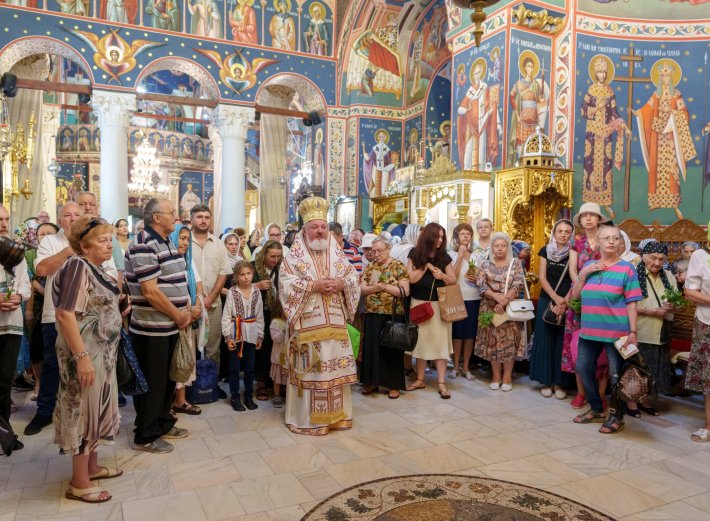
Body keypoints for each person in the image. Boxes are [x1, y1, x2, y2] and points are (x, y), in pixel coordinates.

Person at [53, 215, 128, 503]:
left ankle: (92, 468)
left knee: (96, 411)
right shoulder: (77, 266)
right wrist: (82, 357)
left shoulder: (95, 268)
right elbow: (65, 314)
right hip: (86, 355)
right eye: (102, 240)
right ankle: (79, 482)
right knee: (84, 413)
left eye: (110, 240)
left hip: (101, 355)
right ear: (84, 246)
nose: (109, 245)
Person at [278, 196, 360, 435]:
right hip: (308, 326)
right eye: (315, 227)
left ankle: (338, 417)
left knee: (335, 368)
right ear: (305, 230)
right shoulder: (293, 257)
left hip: (335, 325)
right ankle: (309, 420)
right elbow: (285, 285)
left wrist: (341, 283)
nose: (320, 231)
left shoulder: (337, 252)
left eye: (323, 226)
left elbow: (353, 277)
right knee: (312, 369)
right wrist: (313, 286)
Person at [125, 198, 191, 453]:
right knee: (152, 383)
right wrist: (178, 315)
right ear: (156, 217)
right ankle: (146, 434)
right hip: (151, 329)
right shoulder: (143, 244)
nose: (176, 216)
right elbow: (150, 292)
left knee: (168, 380)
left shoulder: (165, 241)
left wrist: (185, 311)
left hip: (169, 326)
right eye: (171, 212)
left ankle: (163, 423)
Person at [571, 224, 642, 435]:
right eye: (606, 238)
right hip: (589, 330)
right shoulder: (589, 266)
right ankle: (597, 408)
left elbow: (632, 303)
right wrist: (583, 274)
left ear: (620, 243)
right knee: (583, 368)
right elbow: (575, 296)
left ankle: (616, 416)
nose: (611, 241)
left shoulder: (627, 269)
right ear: (598, 242)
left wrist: (633, 332)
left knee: (616, 375)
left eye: (615, 238)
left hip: (616, 334)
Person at [25, 203, 82, 436]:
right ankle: (44, 411)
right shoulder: (50, 241)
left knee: (84, 364)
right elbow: (41, 269)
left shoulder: (92, 239)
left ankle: (81, 410)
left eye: (77, 215)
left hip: (85, 315)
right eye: (67, 215)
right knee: (52, 364)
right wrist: (68, 251)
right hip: (54, 313)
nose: (73, 218)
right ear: (60, 220)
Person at [634, 60, 696, 217]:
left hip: (670, 137)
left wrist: (675, 116)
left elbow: (685, 113)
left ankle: (673, 203)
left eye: (667, 76)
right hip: (657, 136)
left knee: (671, 168)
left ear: (672, 78)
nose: (665, 79)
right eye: (662, 76)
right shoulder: (656, 94)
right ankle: (656, 201)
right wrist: (638, 113)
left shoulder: (676, 94)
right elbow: (647, 109)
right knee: (655, 167)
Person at [562, 202, 609, 410]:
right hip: (579, 297)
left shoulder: (607, 239)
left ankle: (600, 395)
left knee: (602, 349)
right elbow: (573, 269)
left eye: (592, 215)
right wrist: (580, 285)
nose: (588, 218)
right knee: (578, 348)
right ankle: (581, 393)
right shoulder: (576, 241)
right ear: (580, 220)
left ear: (599, 219)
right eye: (584, 215)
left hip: (602, 298)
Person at [405, 223, 457, 398]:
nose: (440, 240)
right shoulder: (415, 254)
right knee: (420, 342)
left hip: (440, 305)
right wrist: (425, 266)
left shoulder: (444, 256)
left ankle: (441, 382)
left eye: (442, 237)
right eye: (437, 236)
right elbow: (411, 279)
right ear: (428, 236)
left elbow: (453, 280)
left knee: (441, 343)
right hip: (419, 304)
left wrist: (442, 276)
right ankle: (420, 379)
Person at [628, 241, 677, 417]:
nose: (657, 263)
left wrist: (672, 306)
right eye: (653, 258)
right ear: (644, 257)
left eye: (661, 259)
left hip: (661, 332)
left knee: (653, 370)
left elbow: (677, 302)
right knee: (636, 369)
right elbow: (626, 303)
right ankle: (631, 403)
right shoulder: (633, 273)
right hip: (639, 330)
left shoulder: (669, 276)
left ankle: (645, 401)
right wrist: (651, 311)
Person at [530, 219, 575, 398]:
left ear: (571, 234)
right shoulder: (545, 250)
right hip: (547, 300)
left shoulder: (574, 252)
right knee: (545, 340)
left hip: (568, 301)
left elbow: (576, 279)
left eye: (567, 232)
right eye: (560, 231)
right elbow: (542, 277)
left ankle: (560, 383)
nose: (563, 235)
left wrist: (564, 302)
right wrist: (556, 299)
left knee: (562, 342)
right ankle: (546, 381)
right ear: (554, 233)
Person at [475, 232, 526, 391]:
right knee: (492, 342)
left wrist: (503, 301)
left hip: (508, 309)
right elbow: (481, 284)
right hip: (489, 308)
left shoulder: (515, 263)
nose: (499, 248)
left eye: (503, 245)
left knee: (509, 343)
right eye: (496, 245)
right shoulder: (485, 264)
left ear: (508, 247)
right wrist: (496, 297)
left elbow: (518, 285)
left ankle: (507, 377)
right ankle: (496, 376)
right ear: (492, 247)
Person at [360, 237, 410, 399]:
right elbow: (362, 289)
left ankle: (393, 385)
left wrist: (385, 287)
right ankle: (371, 382)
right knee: (371, 348)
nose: (376, 254)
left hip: (392, 314)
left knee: (391, 350)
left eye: (379, 251)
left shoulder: (398, 266)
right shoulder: (371, 266)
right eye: (373, 251)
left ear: (388, 249)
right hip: (372, 312)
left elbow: (405, 291)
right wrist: (375, 288)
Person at [581, 55, 629, 213]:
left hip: (606, 133)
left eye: (603, 72)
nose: (602, 75)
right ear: (595, 73)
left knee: (605, 165)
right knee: (591, 164)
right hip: (593, 133)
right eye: (599, 72)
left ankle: (604, 200)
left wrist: (623, 124)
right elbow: (583, 109)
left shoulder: (610, 91)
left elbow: (614, 112)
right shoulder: (591, 90)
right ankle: (590, 200)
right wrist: (597, 107)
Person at [0, 205, 30, 453]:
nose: (3, 223)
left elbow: (25, 284)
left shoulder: (15, 251)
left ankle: (5, 435)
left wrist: (19, 297)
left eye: (6, 219)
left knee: (4, 384)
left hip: (11, 325)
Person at [190, 205, 231, 381]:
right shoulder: (184, 241)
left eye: (207, 217)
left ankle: (211, 386)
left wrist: (210, 298)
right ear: (191, 219)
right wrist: (198, 303)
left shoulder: (218, 244)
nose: (203, 220)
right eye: (199, 216)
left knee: (213, 349)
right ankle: (191, 387)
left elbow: (223, 274)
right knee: (190, 348)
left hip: (213, 306)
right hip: (190, 306)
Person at [169, 225, 204, 416]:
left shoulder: (188, 261)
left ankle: (180, 401)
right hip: (174, 318)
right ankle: (167, 404)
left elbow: (199, 288)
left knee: (185, 358)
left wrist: (196, 306)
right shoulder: (167, 261)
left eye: (187, 239)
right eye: (181, 238)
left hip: (190, 317)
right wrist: (187, 312)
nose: (185, 242)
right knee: (173, 361)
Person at [221, 260, 264, 411]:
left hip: (251, 335)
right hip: (236, 334)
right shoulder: (232, 292)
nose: (246, 277)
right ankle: (235, 397)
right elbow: (226, 316)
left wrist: (260, 336)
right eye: (242, 274)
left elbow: (259, 316)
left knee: (249, 368)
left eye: (249, 273)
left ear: (253, 274)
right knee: (234, 368)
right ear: (236, 276)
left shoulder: (256, 292)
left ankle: (248, 396)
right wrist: (228, 337)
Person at [27, 222, 59, 401]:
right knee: (37, 347)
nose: (45, 237)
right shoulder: (31, 254)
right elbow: (31, 278)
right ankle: (39, 383)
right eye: (42, 234)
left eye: (50, 233)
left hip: (58, 305)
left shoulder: (62, 250)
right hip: (39, 305)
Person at [448, 223, 480, 381]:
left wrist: (477, 278)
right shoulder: (451, 255)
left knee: (469, 334)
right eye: (462, 234)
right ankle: (455, 366)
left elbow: (482, 276)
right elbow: (452, 276)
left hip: (474, 297)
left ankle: (466, 367)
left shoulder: (476, 255)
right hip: (457, 297)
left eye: (468, 234)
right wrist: (460, 255)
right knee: (457, 334)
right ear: (456, 237)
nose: (466, 236)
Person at [252, 240, 284, 401]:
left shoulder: (283, 268)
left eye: (278, 256)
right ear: (264, 254)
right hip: (260, 313)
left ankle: (275, 381)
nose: (275, 260)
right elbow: (237, 287)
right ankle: (261, 383)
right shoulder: (253, 267)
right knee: (262, 347)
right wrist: (256, 286)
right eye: (272, 256)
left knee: (277, 347)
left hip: (277, 313)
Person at [685, 246, 710, 441]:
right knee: (709, 375)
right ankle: (709, 425)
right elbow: (690, 292)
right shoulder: (700, 256)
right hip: (707, 322)